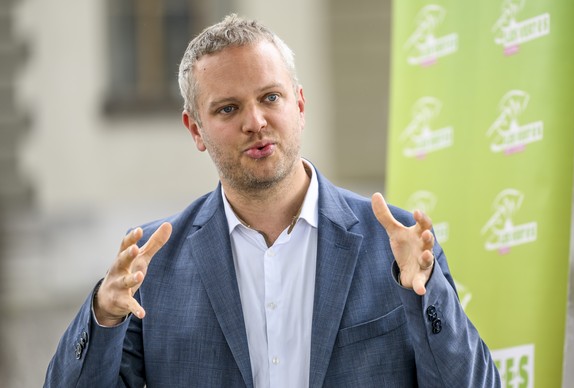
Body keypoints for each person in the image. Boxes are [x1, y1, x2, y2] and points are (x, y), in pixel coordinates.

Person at [44, 14, 500, 387]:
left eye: (271, 97)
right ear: (195, 129)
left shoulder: (396, 245)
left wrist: (425, 296)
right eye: (228, 108)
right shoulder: (152, 263)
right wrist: (103, 312)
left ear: (299, 105)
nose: (256, 121)